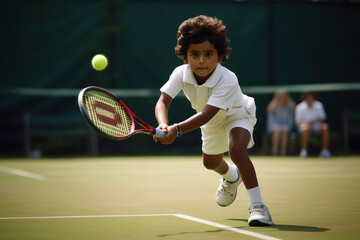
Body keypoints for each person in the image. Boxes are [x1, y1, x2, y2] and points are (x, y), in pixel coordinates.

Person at [153, 15, 273, 226]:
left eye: (208, 54)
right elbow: (163, 101)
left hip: (238, 113)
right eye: (195, 54)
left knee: (236, 149)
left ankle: (258, 207)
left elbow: (207, 113)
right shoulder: (180, 74)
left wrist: (176, 130)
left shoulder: (227, 78)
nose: (201, 60)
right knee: (210, 163)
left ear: (220, 56)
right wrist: (163, 123)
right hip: (209, 121)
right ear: (185, 56)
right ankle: (232, 177)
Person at [295, 92, 331, 158]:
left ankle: (324, 151)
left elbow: (322, 118)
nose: (309, 98)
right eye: (308, 96)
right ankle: (304, 151)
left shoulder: (319, 105)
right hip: (305, 127)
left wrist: (313, 122)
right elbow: (298, 121)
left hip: (316, 126)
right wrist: (306, 124)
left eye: (311, 96)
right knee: (305, 128)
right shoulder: (299, 107)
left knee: (325, 127)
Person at [267, 90, 296, 155]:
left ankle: (283, 151)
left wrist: (287, 98)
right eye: (279, 97)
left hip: (286, 127)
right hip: (274, 127)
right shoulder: (274, 105)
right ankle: (275, 151)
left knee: (284, 129)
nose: (281, 98)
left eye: (283, 97)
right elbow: (269, 109)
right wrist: (275, 98)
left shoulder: (288, 105)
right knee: (277, 130)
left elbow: (294, 107)